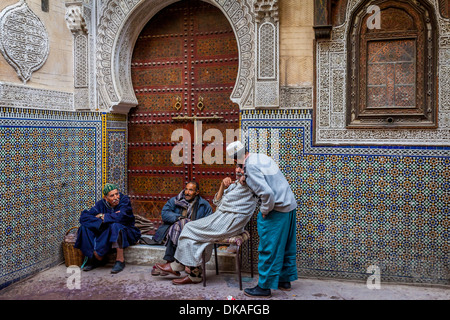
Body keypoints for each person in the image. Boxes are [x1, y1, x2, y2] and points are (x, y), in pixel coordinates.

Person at [155, 165, 258, 285]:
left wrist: (248, 179)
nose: (238, 171)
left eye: (242, 168)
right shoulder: (234, 185)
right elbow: (217, 202)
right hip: (221, 219)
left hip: (228, 223)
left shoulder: (251, 184)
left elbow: (227, 202)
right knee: (193, 237)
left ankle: (178, 265)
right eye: (237, 167)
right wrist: (222, 185)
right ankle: (195, 274)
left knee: (188, 227)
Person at [226, 141, 298, 298]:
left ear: (234, 160)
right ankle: (284, 280)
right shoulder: (260, 157)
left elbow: (267, 194)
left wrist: (265, 210)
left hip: (276, 209)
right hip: (289, 205)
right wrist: (246, 177)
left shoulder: (250, 167)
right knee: (285, 245)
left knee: (268, 248)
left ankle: (264, 287)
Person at [74, 183, 141, 274]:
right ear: (106, 198)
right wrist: (101, 221)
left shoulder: (124, 200)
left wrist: (102, 216)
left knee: (115, 225)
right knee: (84, 227)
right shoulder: (101, 204)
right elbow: (84, 217)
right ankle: (95, 256)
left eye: (117, 194)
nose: (116, 197)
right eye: (112, 196)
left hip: (128, 232)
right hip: (107, 233)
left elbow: (121, 216)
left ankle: (120, 260)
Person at [151, 181, 213, 276]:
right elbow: (164, 214)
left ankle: (173, 264)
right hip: (174, 230)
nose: (187, 192)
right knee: (177, 227)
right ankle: (178, 263)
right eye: (186, 189)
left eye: (191, 190)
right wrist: (179, 218)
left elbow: (208, 222)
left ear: (197, 192)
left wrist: (189, 225)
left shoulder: (204, 205)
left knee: (183, 227)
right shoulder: (175, 200)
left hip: (194, 233)